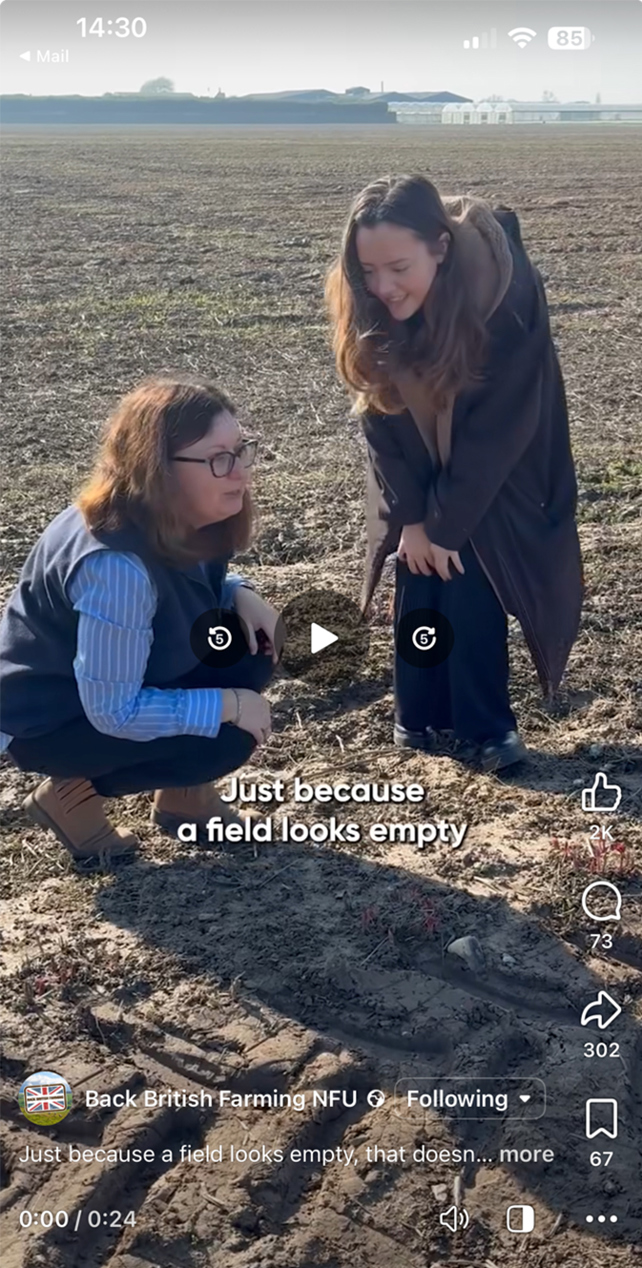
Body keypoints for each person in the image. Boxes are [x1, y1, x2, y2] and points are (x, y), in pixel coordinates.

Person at [325, 175, 583, 772]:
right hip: (415, 452)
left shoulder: (505, 291)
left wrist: (443, 526)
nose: (382, 287)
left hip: (507, 463)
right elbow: (379, 418)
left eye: (398, 268)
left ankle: (485, 724)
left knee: (470, 565)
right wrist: (413, 518)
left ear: (440, 247)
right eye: (368, 270)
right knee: (417, 565)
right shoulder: (367, 295)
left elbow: (501, 431)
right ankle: (418, 716)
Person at [0, 376, 280, 858]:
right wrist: (228, 706)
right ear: (160, 469)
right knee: (224, 738)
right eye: (219, 459)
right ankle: (70, 795)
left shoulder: (173, 514)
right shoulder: (116, 568)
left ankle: (186, 801)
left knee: (250, 645)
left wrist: (239, 591)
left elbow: (178, 587)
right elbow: (113, 710)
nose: (240, 472)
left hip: (100, 685)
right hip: (47, 718)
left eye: (241, 450)